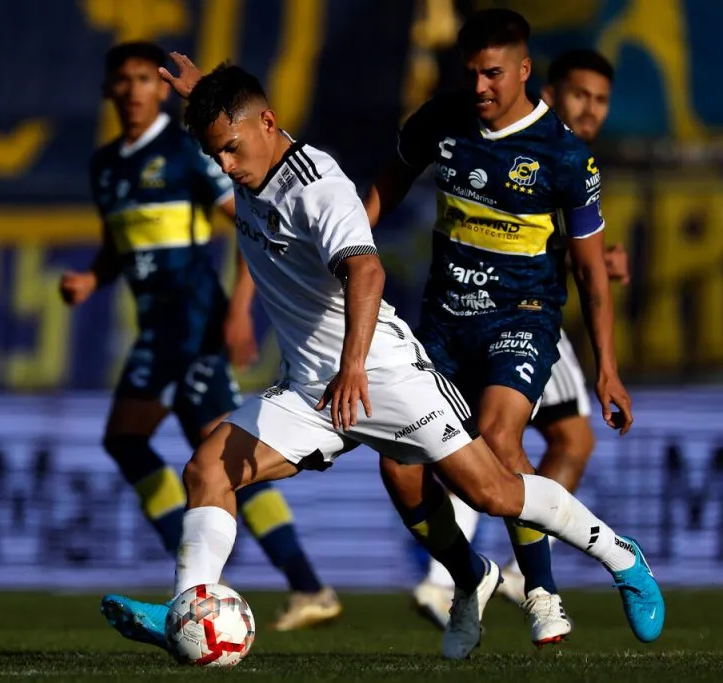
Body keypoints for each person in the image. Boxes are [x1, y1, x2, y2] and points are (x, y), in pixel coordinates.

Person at [99, 55, 663, 662]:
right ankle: (187, 608)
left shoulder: (319, 188)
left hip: (382, 373)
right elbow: (234, 122)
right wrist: (204, 96)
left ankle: (621, 557)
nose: (226, 167)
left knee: (492, 492)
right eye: (217, 155)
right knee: (207, 470)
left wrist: (353, 366)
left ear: (267, 122)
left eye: (232, 150)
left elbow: (367, 271)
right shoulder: (246, 150)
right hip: (309, 389)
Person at [363, 10, 635, 646]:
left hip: (523, 317)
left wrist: (607, 368)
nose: (480, 87)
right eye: (472, 74)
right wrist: (346, 246)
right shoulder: (442, 119)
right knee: (400, 470)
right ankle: (469, 577)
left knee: (501, 439)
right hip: (444, 321)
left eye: (492, 74)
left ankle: (541, 591)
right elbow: (387, 186)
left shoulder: (565, 156)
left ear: (523, 71)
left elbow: (591, 272)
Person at [58, 42, 340, 632]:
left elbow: (251, 222)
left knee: (213, 454)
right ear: (109, 90)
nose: (134, 90)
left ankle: (249, 582)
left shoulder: (188, 151)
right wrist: (92, 277)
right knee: (169, 447)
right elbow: (119, 245)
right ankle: (290, 583)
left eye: (145, 78)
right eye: (124, 80)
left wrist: (239, 311)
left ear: (160, 90)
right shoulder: (105, 165)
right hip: (157, 330)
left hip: (194, 325)